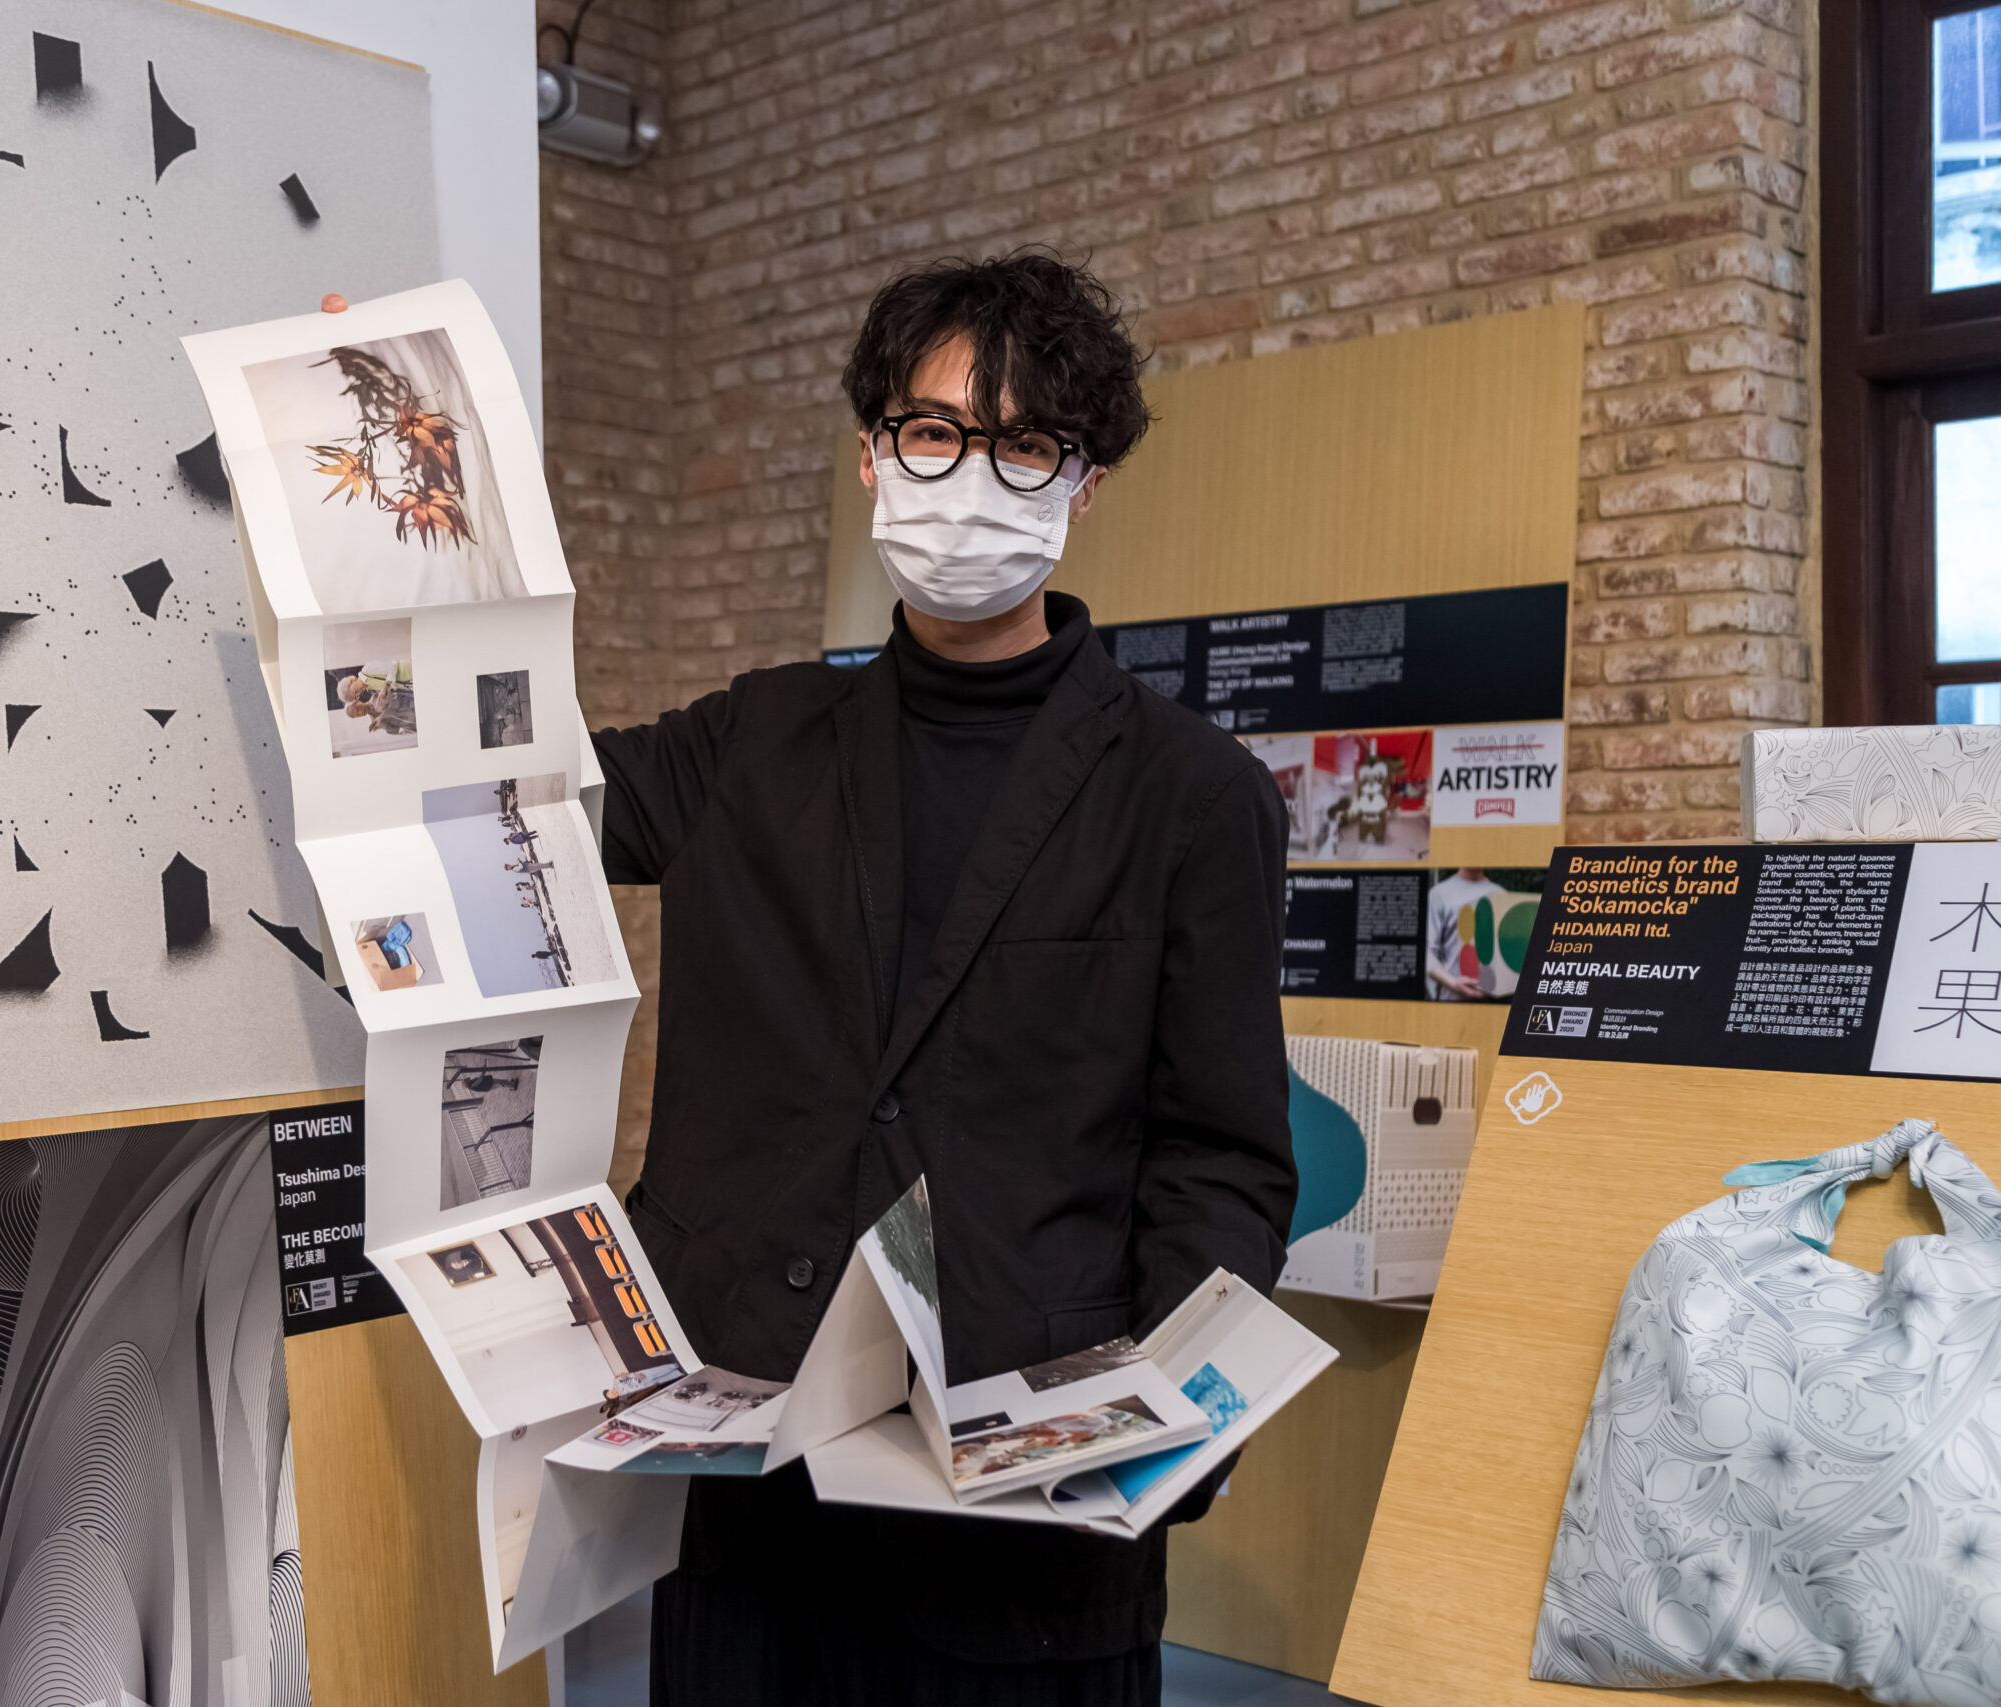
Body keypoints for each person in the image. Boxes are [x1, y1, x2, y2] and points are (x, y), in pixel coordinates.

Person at [584, 252, 1297, 1705]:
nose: (968, 476)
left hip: (1024, 1524)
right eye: (931, 431)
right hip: (750, 1494)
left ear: (1083, 484)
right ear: (872, 455)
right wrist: (384, 500)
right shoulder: (748, 745)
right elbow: (496, 800)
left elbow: (1220, 1156)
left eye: (1024, 444)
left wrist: (1172, 1413)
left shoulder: (1191, 794)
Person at [1424, 866, 1509, 999]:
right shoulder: (1439, 894)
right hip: (1451, 1001)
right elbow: (1426, 953)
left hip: (1493, 1002)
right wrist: (1453, 983)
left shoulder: (1501, 893)